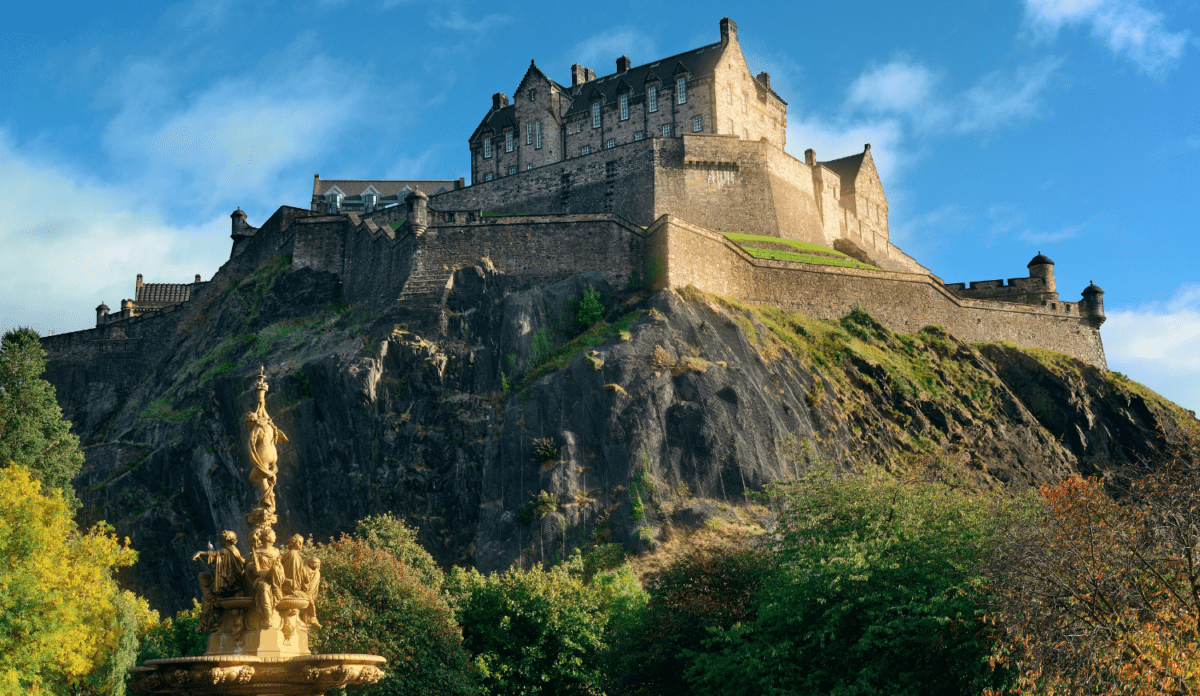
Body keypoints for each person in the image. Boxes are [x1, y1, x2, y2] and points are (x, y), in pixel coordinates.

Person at [246, 367, 288, 513]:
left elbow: (252, 444)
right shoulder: (268, 423)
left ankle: (267, 502)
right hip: (273, 454)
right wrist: (261, 392)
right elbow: (261, 405)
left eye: (249, 421)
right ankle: (269, 494)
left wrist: (260, 391)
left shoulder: (258, 428)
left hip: (264, 453)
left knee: (261, 477)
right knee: (253, 477)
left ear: (253, 421)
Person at [193, 531, 244, 632]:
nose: (221, 540)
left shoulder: (228, 550)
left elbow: (215, 554)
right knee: (202, 576)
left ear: (227, 539)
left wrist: (200, 553)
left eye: (222, 538)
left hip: (229, 583)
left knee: (207, 597)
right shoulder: (232, 550)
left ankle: (204, 623)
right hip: (224, 578)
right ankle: (212, 595)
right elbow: (216, 557)